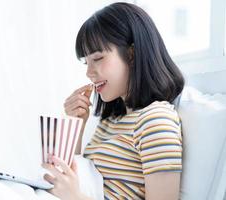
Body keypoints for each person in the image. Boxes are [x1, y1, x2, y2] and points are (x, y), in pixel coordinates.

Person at [42, 2, 184, 200]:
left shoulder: (156, 120)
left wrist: (75, 197)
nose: (89, 72)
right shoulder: (111, 122)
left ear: (131, 54)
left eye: (98, 58)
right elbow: (86, 180)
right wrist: (78, 126)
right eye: (86, 62)